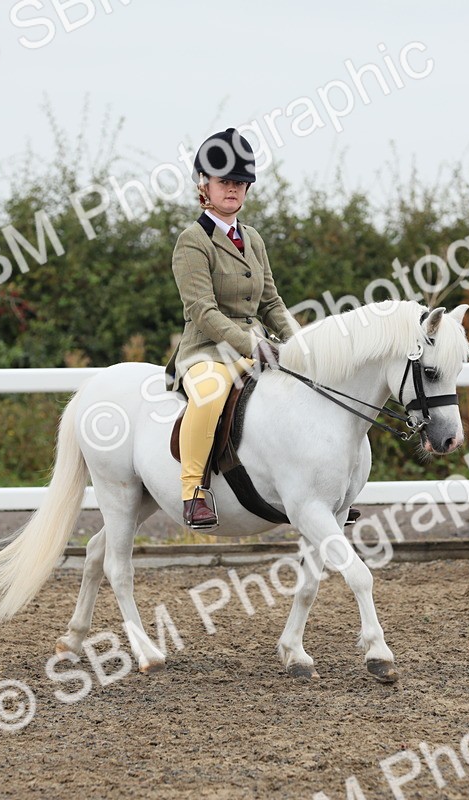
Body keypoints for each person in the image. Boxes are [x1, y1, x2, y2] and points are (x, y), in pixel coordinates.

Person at [165, 128, 296, 529]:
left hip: (257, 345)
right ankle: (193, 491)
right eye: (225, 181)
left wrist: (301, 343)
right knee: (209, 393)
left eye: (240, 182)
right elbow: (203, 310)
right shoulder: (193, 241)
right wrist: (250, 345)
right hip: (208, 350)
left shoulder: (253, 239)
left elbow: (270, 302)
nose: (233, 189)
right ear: (204, 185)